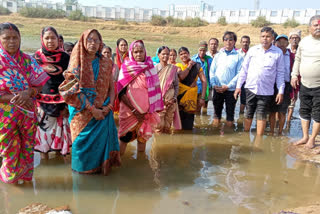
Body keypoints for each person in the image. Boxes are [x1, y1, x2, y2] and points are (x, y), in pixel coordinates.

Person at [59, 29, 121, 175]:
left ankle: (100, 170)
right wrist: (92, 109)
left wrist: (109, 107)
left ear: (101, 43)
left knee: (100, 146)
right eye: (89, 40)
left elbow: (112, 87)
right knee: (80, 144)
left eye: (96, 40)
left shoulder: (106, 63)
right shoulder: (76, 64)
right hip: (81, 114)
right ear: (83, 42)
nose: (93, 43)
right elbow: (72, 89)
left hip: (104, 111)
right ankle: (82, 179)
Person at [0, 22, 49, 183]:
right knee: (9, 150)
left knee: (27, 148)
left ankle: (26, 179)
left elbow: (40, 83)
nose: (12, 41)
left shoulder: (27, 60)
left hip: (28, 113)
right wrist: (18, 98)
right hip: (5, 116)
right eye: (7, 38)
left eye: (15, 37)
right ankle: (12, 185)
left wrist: (28, 93)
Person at [234, 27, 285, 136]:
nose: (265, 39)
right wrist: (238, 87)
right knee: (248, 113)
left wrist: (281, 91)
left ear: (272, 38)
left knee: (261, 115)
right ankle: (246, 135)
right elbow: (244, 70)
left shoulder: (278, 53)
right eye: (263, 36)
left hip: (266, 90)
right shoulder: (253, 50)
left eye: (267, 36)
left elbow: (280, 73)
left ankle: (258, 140)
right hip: (250, 88)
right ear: (259, 37)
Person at [117, 40, 163, 155]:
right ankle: (118, 164)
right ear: (131, 53)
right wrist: (134, 110)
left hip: (146, 113)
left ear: (145, 51)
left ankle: (141, 164)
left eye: (141, 51)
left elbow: (155, 90)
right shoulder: (126, 67)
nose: (138, 54)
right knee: (124, 138)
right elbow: (120, 92)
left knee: (142, 139)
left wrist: (147, 110)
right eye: (135, 52)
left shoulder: (150, 67)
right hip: (129, 112)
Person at [34, 26, 72, 159]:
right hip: (41, 106)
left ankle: (58, 162)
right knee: (43, 142)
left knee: (59, 140)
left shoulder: (66, 58)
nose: (50, 41)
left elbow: (71, 82)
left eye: (53, 38)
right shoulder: (35, 58)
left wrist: (67, 105)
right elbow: (31, 81)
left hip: (61, 105)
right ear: (42, 39)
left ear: (58, 39)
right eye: (47, 38)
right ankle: (45, 170)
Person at [291, 15, 320, 150]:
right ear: (309, 28)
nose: (318, 27)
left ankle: (312, 138)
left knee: (317, 112)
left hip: (319, 85)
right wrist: (294, 75)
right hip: (304, 84)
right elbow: (297, 59)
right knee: (304, 109)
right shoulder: (304, 42)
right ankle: (304, 136)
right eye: (315, 25)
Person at [210, 31, 243, 127]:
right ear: (223, 41)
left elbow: (239, 74)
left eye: (231, 40)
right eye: (226, 39)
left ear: (235, 41)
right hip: (217, 88)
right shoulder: (218, 55)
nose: (228, 42)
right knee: (216, 114)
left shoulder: (238, 57)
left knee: (230, 114)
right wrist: (214, 85)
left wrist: (228, 86)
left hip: (231, 90)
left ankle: (229, 136)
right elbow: (212, 71)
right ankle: (215, 134)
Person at [269, 34, 295, 135]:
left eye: (284, 42)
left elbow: (294, 73)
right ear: (275, 43)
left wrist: (295, 91)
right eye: (279, 41)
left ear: (287, 44)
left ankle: (280, 132)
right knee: (272, 111)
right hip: (272, 85)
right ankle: (271, 132)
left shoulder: (291, 56)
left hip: (286, 86)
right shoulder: (272, 54)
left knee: (282, 111)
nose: (281, 44)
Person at [176, 47, 207, 130]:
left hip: (191, 99)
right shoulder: (178, 66)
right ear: (179, 56)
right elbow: (182, 76)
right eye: (181, 54)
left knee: (189, 123)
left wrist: (202, 97)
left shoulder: (197, 66)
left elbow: (204, 81)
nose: (183, 55)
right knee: (178, 123)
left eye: (185, 53)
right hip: (180, 97)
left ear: (189, 54)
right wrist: (189, 65)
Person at [155, 46, 181, 133]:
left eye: (167, 54)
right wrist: (160, 99)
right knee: (158, 126)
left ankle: (166, 145)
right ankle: (157, 145)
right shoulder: (154, 69)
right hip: (158, 101)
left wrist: (174, 98)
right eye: (163, 54)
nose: (165, 56)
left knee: (168, 125)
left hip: (171, 101)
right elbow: (152, 87)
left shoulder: (173, 69)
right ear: (158, 55)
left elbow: (176, 85)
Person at [192, 41, 213, 113]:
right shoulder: (194, 59)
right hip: (196, 85)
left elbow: (212, 72)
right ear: (198, 50)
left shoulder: (209, 59)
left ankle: (204, 118)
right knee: (196, 104)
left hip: (207, 85)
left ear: (206, 50)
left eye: (204, 50)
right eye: (200, 50)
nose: (202, 52)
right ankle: (198, 119)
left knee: (205, 104)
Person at [287, 29, 301, 127]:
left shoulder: (302, 51)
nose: (294, 40)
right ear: (289, 39)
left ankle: (288, 123)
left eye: (296, 38)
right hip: (286, 79)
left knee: (293, 100)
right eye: (292, 38)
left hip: (297, 80)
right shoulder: (285, 50)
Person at [112, 38, 128, 114]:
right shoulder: (114, 57)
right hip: (116, 81)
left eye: (125, 45)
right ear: (118, 46)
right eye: (121, 45)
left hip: (127, 82)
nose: (123, 47)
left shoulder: (129, 57)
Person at [237, 35, 251, 116]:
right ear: (241, 43)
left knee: (246, 100)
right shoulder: (237, 53)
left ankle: (245, 116)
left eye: (247, 42)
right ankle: (240, 116)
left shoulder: (252, 53)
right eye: (243, 42)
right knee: (234, 99)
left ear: (249, 42)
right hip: (238, 79)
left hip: (248, 80)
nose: (245, 43)